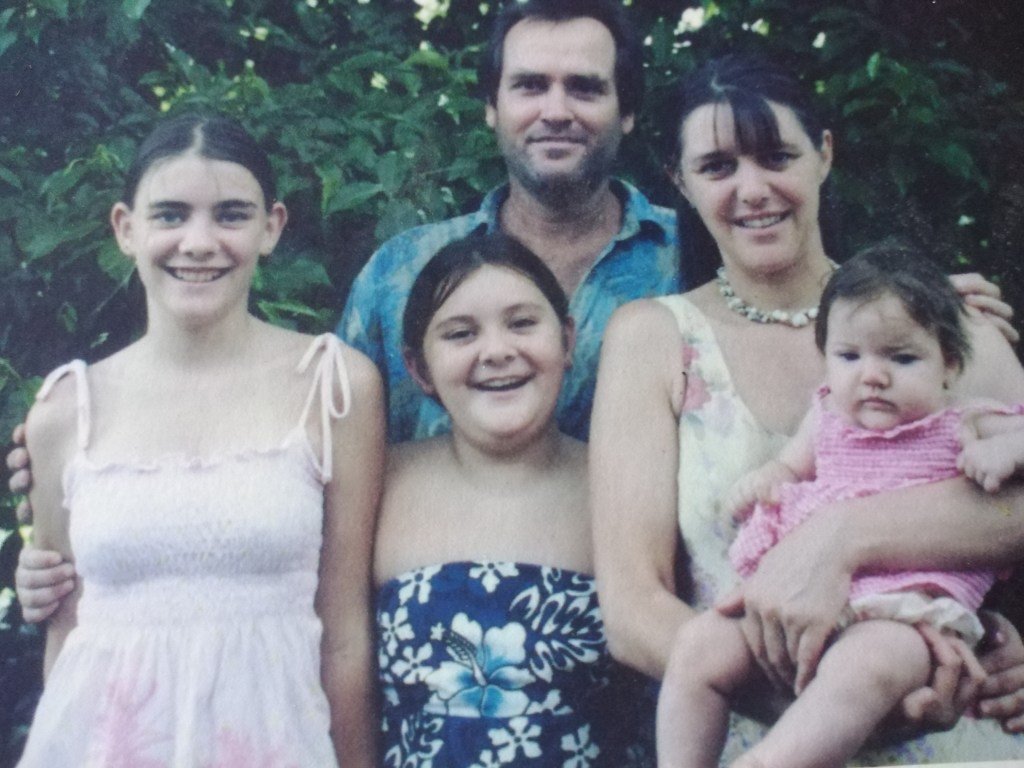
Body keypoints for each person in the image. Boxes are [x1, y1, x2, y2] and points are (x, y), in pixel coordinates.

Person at [590, 53, 1024, 765]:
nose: (752, 189)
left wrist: (844, 538)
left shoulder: (940, 323)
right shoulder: (655, 338)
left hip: (953, 730)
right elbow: (635, 607)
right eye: (717, 167)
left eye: (777, 156)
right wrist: (830, 707)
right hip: (761, 735)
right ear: (680, 182)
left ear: (823, 153)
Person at [15, 114, 383, 766]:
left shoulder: (333, 385)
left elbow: (345, 636)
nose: (199, 242)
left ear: (271, 227)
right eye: (171, 215)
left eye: (231, 215)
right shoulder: (66, 411)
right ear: (125, 228)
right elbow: (64, 634)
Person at [657, 242, 1024, 768]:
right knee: (699, 644)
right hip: (797, 608)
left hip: (908, 618)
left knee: (863, 667)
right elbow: (789, 467)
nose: (872, 375)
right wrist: (765, 481)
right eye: (850, 357)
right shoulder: (828, 415)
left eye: (902, 358)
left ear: (950, 363)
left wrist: (1007, 448)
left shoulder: (963, 421)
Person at [338, 0, 680, 443]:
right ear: (491, 107)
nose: (556, 112)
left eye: (584, 88)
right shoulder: (398, 274)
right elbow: (337, 453)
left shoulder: (694, 256)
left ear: (627, 112)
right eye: (530, 86)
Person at [374, 233, 636, 766]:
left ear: (567, 340)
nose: (496, 351)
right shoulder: (377, 485)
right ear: (418, 368)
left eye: (521, 323)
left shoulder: (626, 486)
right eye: (460, 333)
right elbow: (335, 664)